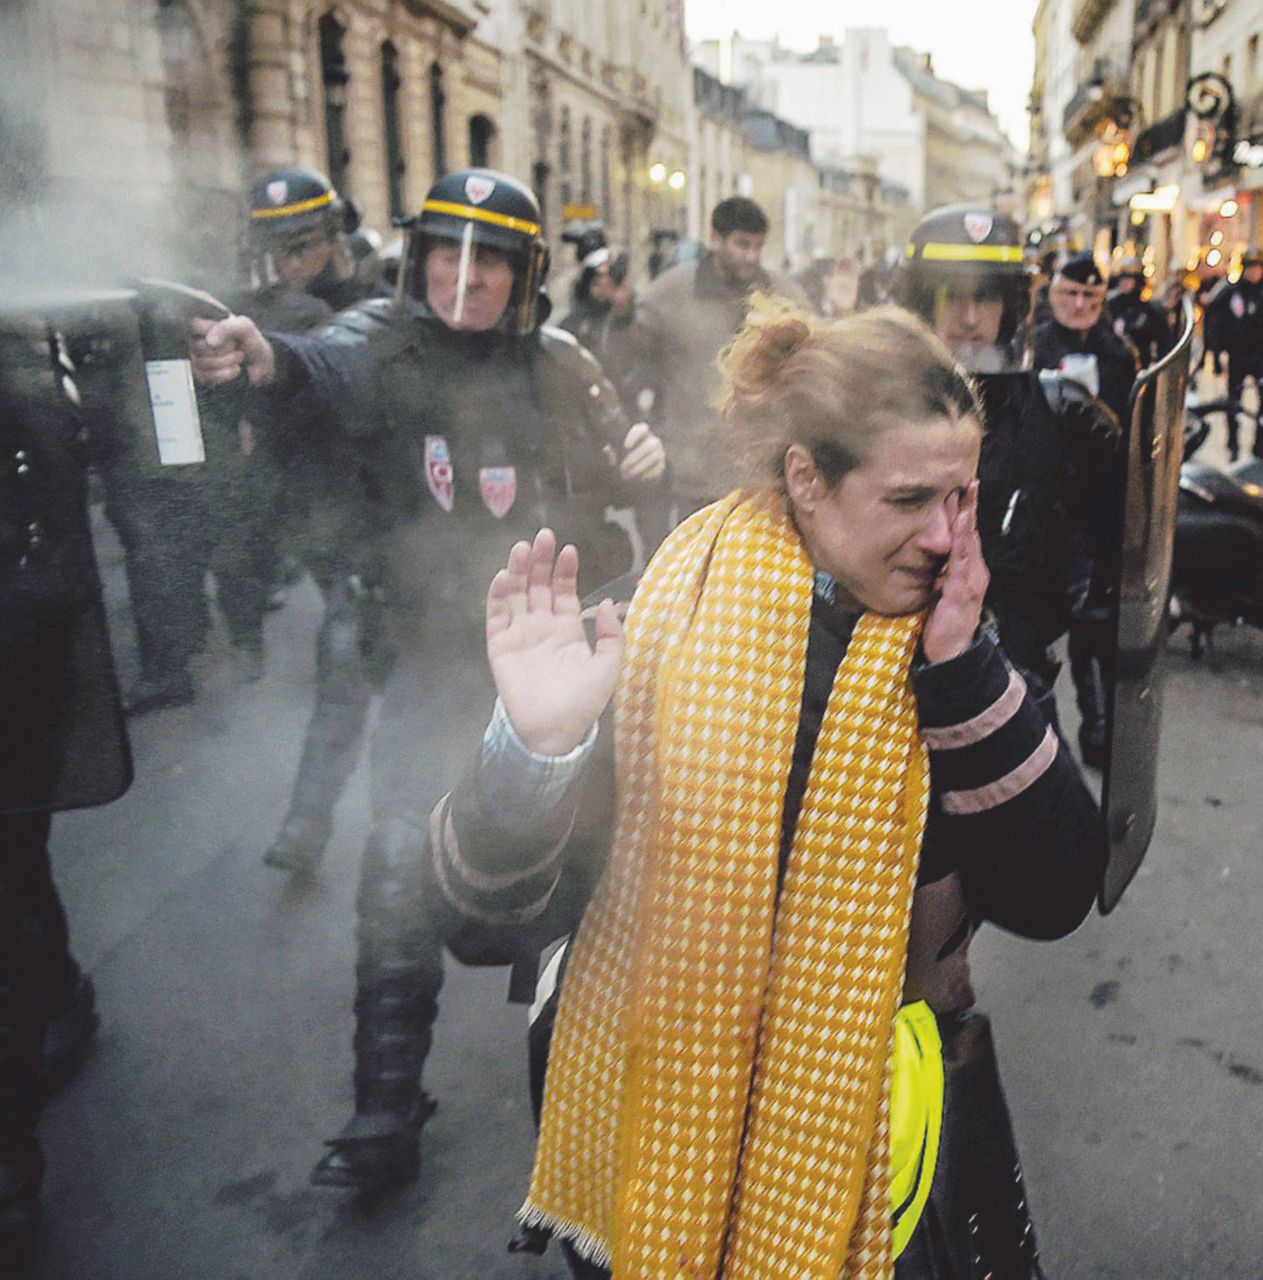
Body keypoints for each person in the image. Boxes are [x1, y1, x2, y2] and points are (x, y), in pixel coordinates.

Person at [429, 303, 1104, 1278]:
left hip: (864, 1168)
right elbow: (475, 922)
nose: (945, 534)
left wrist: (963, 673)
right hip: (640, 1131)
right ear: (805, 479)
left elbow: (1057, 895)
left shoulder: (959, 646)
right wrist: (533, 754)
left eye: (963, 495)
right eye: (909, 498)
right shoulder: (649, 632)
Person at [190, 168, 667, 1192]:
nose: (466, 277)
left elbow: (637, 472)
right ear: (418, 259)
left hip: (559, 662)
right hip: (433, 653)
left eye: (491, 260)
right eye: (448, 252)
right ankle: (385, 1105)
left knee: (582, 881)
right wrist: (265, 357)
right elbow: (316, 365)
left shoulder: (562, 362)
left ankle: (595, 1115)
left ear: (526, 274)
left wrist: (647, 459)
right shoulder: (378, 342)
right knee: (400, 859)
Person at [2, 303, 133, 1277]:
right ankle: (55, 983)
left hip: (16, 666)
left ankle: (12, 1167)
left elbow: (56, 508)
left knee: (9, 874)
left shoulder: (21, 373)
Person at [896, 205, 1079, 727]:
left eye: (987, 297)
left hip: (1015, 670)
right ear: (922, 302)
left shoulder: (1051, 411)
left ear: (1010, 306)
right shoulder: (879, 407)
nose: (971, 318)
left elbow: (1072, 548)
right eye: (953, 296)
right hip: (897, 669)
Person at [633, 196, 809, 536]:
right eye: (742, 244)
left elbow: (819, 362)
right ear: (715, 239)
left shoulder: (785, 295)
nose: (751, 256)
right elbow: (631, 365)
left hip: (763, 479)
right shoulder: (669, 295)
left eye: (758, 246)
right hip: (694, 477)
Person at [1033, 252, 1138, 428]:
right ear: (1055, 295)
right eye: (1072, 293)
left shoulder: (1120, 352)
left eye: (1089, 295)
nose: (1079, 304)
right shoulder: (1034, 346)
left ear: (1101, 299)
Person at [1209, 247, 1263, 460]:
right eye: (1250, 268)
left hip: (1260, 356)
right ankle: (1233, 443)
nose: (1254, 272)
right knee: (1233, 401)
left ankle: (1259, 445)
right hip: (1237, 355)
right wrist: (1216, 352)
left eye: (1257, 268)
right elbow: (1217, 321)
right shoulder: (1231, 292)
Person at [1108, 256, 1171, 368]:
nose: (1124, 282)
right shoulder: (1112, 306)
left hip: (1143, 365)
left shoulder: (1149, 309)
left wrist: (1157, 364)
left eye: (1128, 278)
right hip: (1115, 365)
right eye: (1122, 278)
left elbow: (1164, 340)